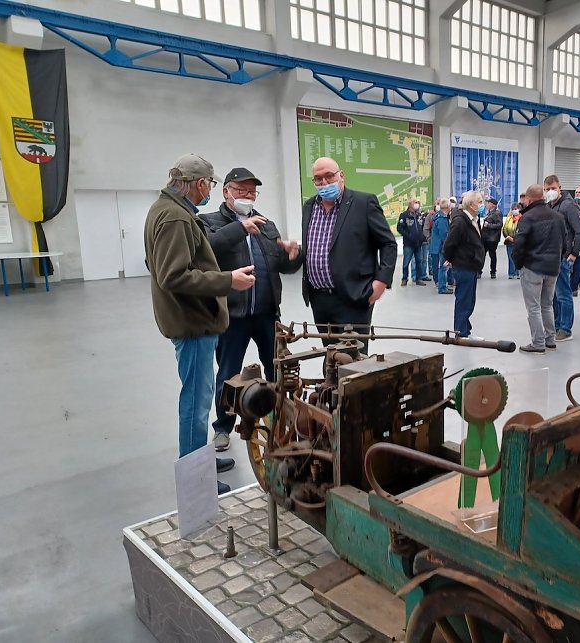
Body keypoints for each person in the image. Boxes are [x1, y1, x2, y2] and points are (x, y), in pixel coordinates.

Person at [144, 154, 256, 495]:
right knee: (195, 401)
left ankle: (199, 458)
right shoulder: (176, 218)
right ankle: (196, 479)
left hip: (189, 317)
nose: (210, 188)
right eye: (210, 183)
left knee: (199, 395)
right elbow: (172, 275)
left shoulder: (166, 210)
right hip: (191, 323)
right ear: (199, 184)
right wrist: (226, 281)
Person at [200, 167, 303, 452]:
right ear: (226, 192)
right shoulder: (209, 222)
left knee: (277, 369)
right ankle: (222, 427)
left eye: (252, 191)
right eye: (241, 190)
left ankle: (282, 417)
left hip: (267, 314)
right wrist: (239, 229)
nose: (247, 195)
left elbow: (282, 265)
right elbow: (206, 250)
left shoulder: (266, 224)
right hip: (233, 316)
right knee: (228, 373)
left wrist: (293, 256)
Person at [301, 157, 397, 353]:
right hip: (319, 300)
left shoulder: (363, 203)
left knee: (354, 363)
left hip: (353, 297)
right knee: (330, 358)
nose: (324, 183)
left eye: (329, 176)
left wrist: (381, 282)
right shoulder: (309, 207)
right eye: (318, 179)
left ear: (341, 176)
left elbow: (388, 243)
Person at [512, 184, 566, 354]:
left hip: (532, 267)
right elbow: (564, 242)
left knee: (533, 307)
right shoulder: (558, 217)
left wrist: (518, 264)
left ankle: (537, 343)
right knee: (547, 305)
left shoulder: (527, 218)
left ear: (528, 199)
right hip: (553, 267)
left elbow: (519, 244)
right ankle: (550, 339)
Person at [543, 174, 580, 342]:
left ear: (560, 187)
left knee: (563, 294)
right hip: (550, 257)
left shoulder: (569, 206)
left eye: (553, 188)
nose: (550, 192)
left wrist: (574, 253)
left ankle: (565, 328)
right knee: (552, 295)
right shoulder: (550, 206)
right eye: (547, 189)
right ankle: (556, 324)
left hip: (563, 257)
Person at [442, 191, 485, 338]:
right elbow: (449, 244)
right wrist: (452, 258)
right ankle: (461, 333)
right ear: (471, 205)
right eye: (479, 202)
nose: (482, 204)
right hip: (464, 266)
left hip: (471, 265)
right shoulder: (460, 221)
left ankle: (466, 330)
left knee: (469, 300)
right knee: (464, 300)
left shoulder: (473, 219)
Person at [397, 197, 427, 286]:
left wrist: (422, 237)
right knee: (406, 262)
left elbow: (422, 226)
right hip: (408, 244)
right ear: (410, 204)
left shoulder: (419, 215)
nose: (417, 204)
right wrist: (409, 236)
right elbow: (400, 228)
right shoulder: (404, 215)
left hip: (418, 243)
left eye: (418, 202)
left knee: (419, 261)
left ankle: (419, 278)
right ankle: (404, 278)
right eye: (415, 202)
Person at [430, 198, 453, 294]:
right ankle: (442, 287)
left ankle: (443, 285)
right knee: (443, 267)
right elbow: (445, 235)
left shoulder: (438, 217)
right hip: (442, 246)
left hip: (437, 245)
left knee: (442, 267)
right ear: (448, 206)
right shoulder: (442, 219)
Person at [480, 197, 503, 278]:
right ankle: (479, 270)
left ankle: (493, 271)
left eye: (488, 203)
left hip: (492, 238)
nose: (487, 204)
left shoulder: (497, 213)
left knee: (492, 255)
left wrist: (488, 225)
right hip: (485, 237)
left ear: (493, 205)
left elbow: (499, 225)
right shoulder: (489, 213)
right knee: (482, 254)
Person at [571, 187, 580, 295]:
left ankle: (574, 287)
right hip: (571, 239)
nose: (577, 194)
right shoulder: (571, 204)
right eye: (576, 192)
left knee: (578, 266)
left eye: (579, 192)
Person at [502, 202, 522, 279]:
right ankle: (511, 273)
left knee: (517, 257)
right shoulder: (509, 218)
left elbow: (522, 230)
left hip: (518, 241)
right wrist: (507, 236)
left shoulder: (522, 218)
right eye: (513, 209)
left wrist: (516, 238)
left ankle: (517, 272)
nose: (514, 210)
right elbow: (504, 228)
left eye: (516, 209)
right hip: (509, 241)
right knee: (510, 257)